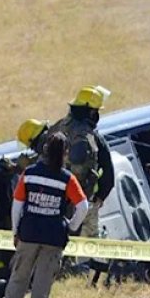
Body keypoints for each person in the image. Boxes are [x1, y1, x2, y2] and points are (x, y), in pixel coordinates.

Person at [0, 132, 89, 298]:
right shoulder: (67, 179)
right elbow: (83, 206)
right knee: (42, 284)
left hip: (28, 234)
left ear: (45, 150)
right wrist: (71, 226)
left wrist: (15, 232)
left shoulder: (29, 173)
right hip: (53, 237)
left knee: (18, 280)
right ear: (65, 154)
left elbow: (17, 205)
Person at [48, 86, 115, 283]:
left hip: (50, 199)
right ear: (92, 112)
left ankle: (57, 276)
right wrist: (99, 197)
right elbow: (108, 173)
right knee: (88, 245)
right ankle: (85, 280)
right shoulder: (92, 136)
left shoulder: (56, 128)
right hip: (82, 203)